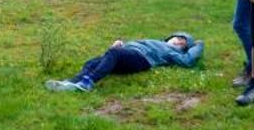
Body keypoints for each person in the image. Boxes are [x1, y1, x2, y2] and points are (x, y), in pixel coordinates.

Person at [45, 32, 204, 92]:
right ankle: (71, 84)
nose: (179, 43)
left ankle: (89, 82)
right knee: (93, 61)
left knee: (113, 53)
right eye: (179, 38)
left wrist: (198, 45)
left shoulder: (171, 52)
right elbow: (119, 52)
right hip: (126, 55)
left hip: (141, 60)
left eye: (184, 44)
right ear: (171, 36)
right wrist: (118, 46)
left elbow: (188, 61)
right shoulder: (155, 41)